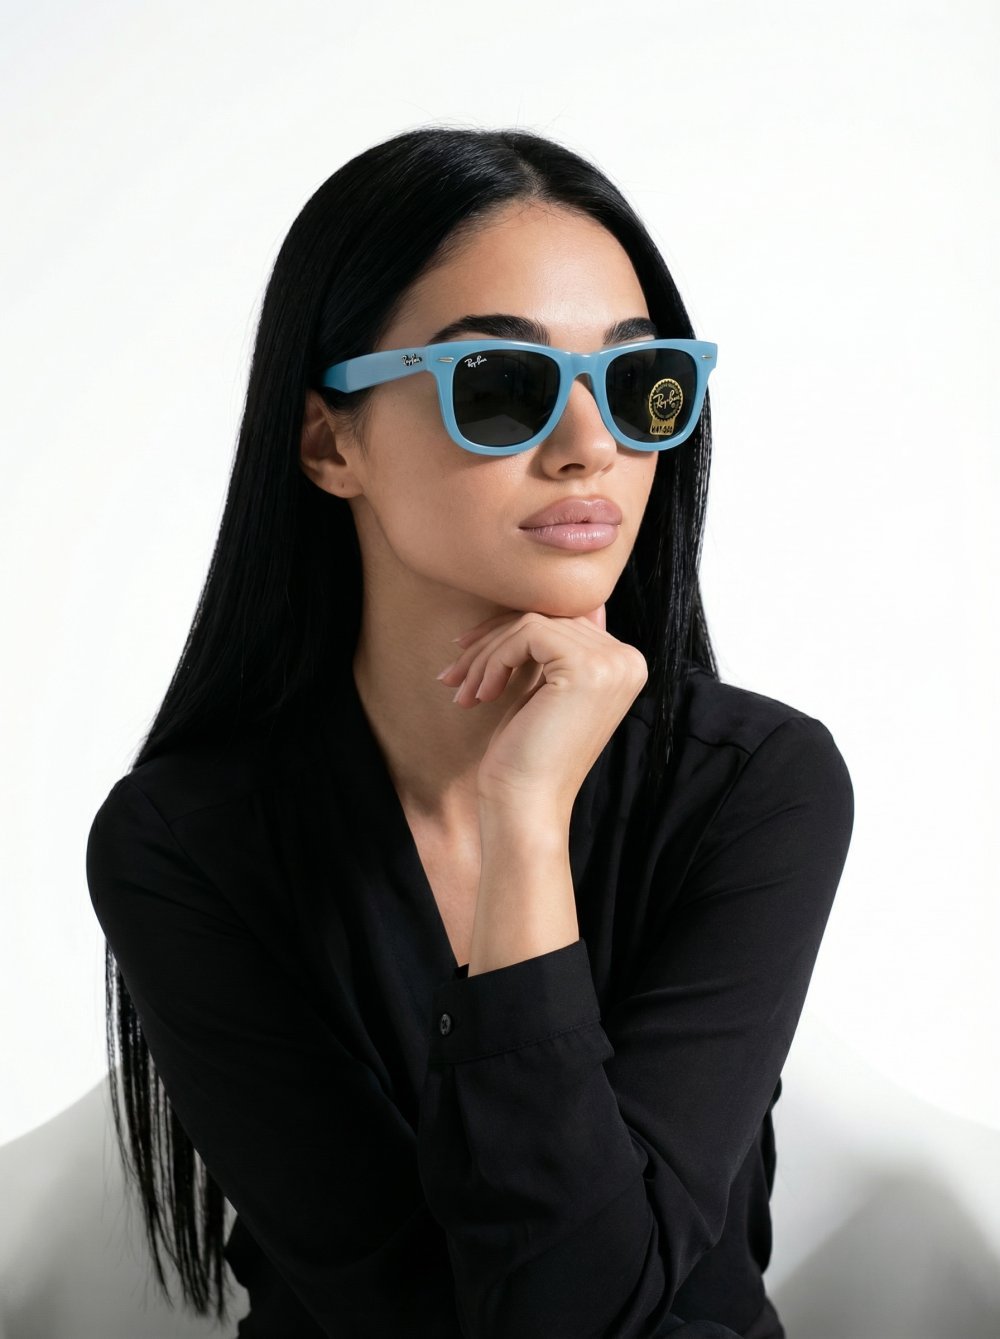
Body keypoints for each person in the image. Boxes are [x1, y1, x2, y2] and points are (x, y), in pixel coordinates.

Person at [85, 125, 854, 1339]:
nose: (591, 447)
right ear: (330, 441)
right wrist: (522, 817)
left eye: (638, 384)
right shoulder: (185, 843)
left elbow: (578, 1311)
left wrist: (523, 822)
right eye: (501, 386)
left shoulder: (754, 787)